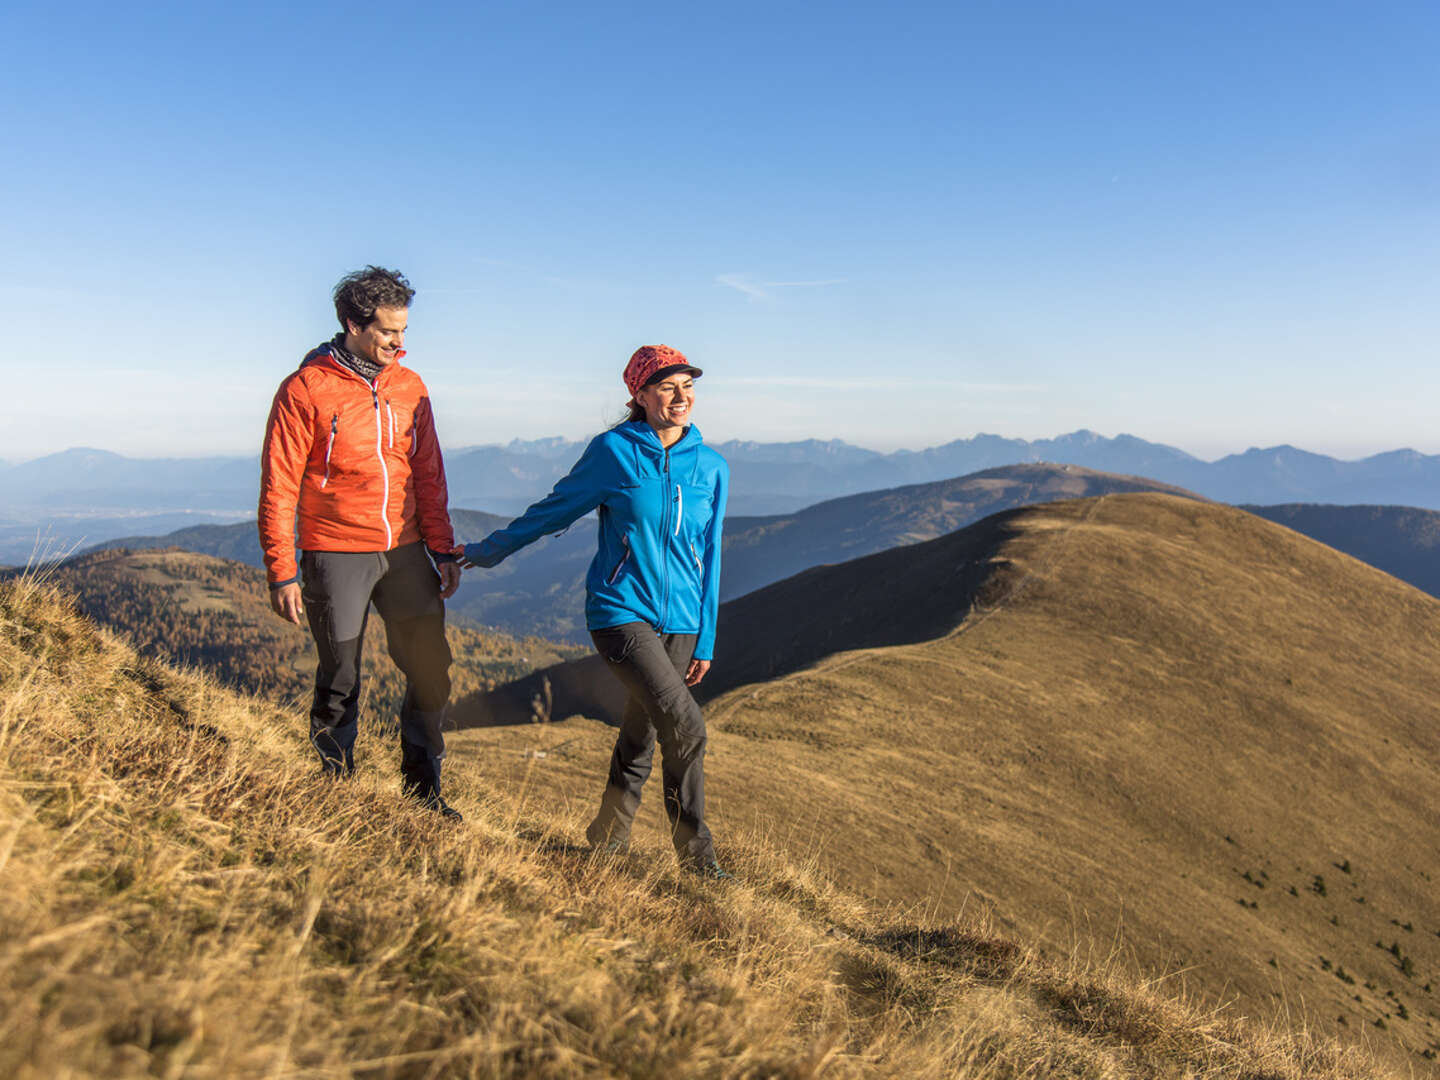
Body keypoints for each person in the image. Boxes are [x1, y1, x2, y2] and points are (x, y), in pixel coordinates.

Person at [458, 345, 730, 876]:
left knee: (644, 730)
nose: (681, 396)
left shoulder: (713, 466)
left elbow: (713, 553)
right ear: (641, 395)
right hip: (620, 610)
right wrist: (487, 550)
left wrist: (706, 638)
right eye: (667, 386)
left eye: (688, 386)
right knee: (687, 726)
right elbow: (555, 508)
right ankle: (699, 862)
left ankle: (606, 840)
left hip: (682, 623)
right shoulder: (613, 452)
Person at [258, 266, 464, 819]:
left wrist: (442, 548)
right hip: (334, 549)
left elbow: (429, 472)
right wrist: (282, 570)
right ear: (352, 323)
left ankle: (424, 794)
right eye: (387, 332)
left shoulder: (410, 386)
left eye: (403, 331)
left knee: (430, 668)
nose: (399, 343)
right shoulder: (305, 390)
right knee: (341, 676)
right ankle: (336, 791)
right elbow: (278, 485)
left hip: (406, 550)